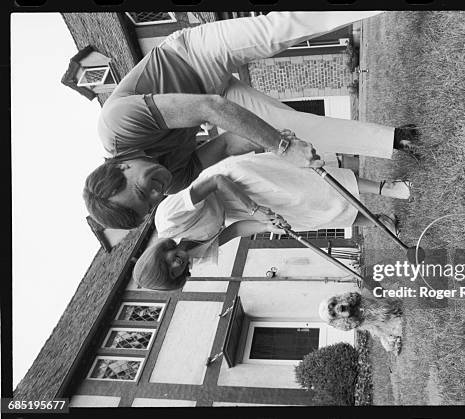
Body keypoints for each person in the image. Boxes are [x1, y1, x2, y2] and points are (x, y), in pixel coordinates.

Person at [85, 12, 421, 229]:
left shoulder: (116, 125)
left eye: (143, 191)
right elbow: (229, 142)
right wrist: (271, 142)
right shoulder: (171, 182)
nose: (157, 194)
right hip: (214, 100)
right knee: (296, 128)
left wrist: (282, 145)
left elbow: (210, 108)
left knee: (282, 29)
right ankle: (397, 139)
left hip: (192, 57)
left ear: (121, 169)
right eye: (149, 204)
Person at [133, 149, 413, 290]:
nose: (177, 264)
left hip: (235, 180)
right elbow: (234, 231)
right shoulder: (194, 254)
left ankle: (386, 187)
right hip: (236, 208)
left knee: (310, 189)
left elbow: (215, 181)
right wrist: (269, 225)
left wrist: (256, 210)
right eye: (174, 273)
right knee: (306, 217)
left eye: (167, 264)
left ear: (159, 254)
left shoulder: (167, 218)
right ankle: (380, 221)